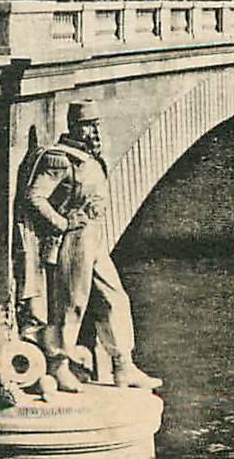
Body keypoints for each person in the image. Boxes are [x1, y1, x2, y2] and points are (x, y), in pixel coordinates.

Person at [20, 99, 162, 392]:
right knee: (71, 303)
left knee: (115, 298)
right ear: (75, 127)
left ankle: (123, 365)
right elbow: (34, 197)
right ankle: (58, 365)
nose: (95, 133)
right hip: (73, 239)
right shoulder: (60, 159)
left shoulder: (90, 158)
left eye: (96, 126)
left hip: (94, 238)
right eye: (89, 127)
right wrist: (62, 223)